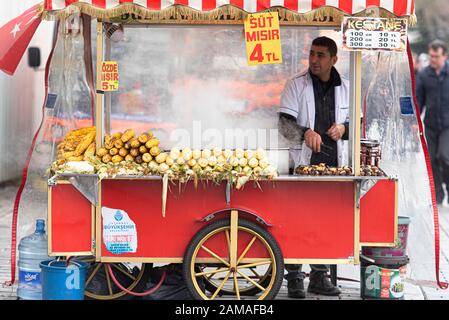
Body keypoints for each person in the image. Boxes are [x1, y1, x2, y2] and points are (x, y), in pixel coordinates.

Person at [278, 36, 349, 298]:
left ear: (333, 59)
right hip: (301, 166)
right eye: (312, 54)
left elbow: (356, 125)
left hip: (334, 167)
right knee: (296, 220)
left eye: (321, 55)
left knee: (324, 222)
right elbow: (284, 125)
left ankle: (320, 277)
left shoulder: (347, 88)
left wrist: (344, 128)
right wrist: (305, 131)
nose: (314, 60)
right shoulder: (296, 85)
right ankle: (295, 277)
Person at [416, 40, 449, 206]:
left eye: (436, 56)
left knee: (444, 157)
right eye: (431, 56)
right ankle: (438, 194)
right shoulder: (424, 75)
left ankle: (448, 186)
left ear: (445, 56)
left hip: (447, 125)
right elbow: (419, 99)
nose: (433, 59)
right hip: (430, 124)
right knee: (433, 161)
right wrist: (415, 120)